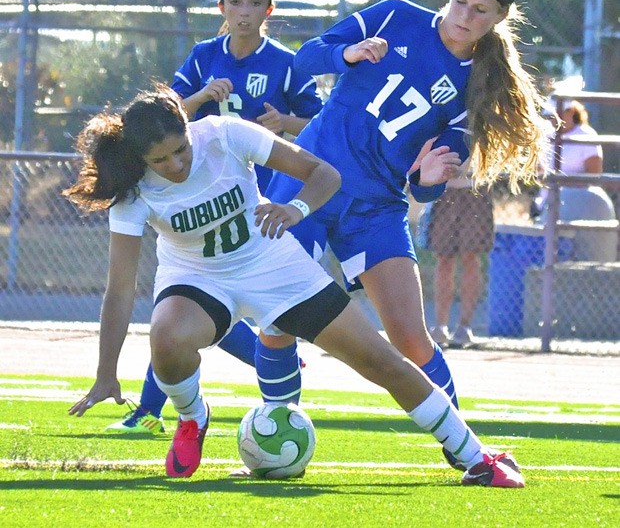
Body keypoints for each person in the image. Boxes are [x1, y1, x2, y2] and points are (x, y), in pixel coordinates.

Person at [65, 84, 524, 488]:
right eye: (160, 160)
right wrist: (106, 372)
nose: (176, 164)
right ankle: (192, 418)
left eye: (180, 149)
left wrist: (296, 210)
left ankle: (477, 457)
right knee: (166, 339)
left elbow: (324, 174)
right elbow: (120, 290)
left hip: (271, 263)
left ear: (188, 126)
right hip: (197, 277)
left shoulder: (225, 133)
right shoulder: (131, 189)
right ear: (139, 158)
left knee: (381, 360)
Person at [266, 0, 549, 468]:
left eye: (481, 10)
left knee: (411, 338)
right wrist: (346, 56)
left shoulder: (478, 88)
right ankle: (277, 434)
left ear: (499, 19)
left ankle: (464, 450)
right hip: (308, 179)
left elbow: (423, 191)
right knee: (278, 317)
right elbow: (305, 58)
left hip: (376, 207)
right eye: (462, 1)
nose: (466, 16)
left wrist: (430, 180)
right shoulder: (395, 13)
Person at [107, 0, 324, 434]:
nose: (243, 12)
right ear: (221, 7)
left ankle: (274, 384)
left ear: (269, 10)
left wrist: (286, 123)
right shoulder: (204, 55)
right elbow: (162, 121)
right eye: (234, 2)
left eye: (253, 3)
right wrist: (202, 94)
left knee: (251, 310)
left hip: (264, 202)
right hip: (201, 200)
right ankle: (155, 410)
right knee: (185, 305)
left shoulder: (287, 63)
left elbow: (321, 129)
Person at [427, 164, 494, 348]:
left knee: (470, 258)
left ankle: (464, 326)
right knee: (443, 259)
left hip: (476, 190)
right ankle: (440, 326)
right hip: (445, 190)